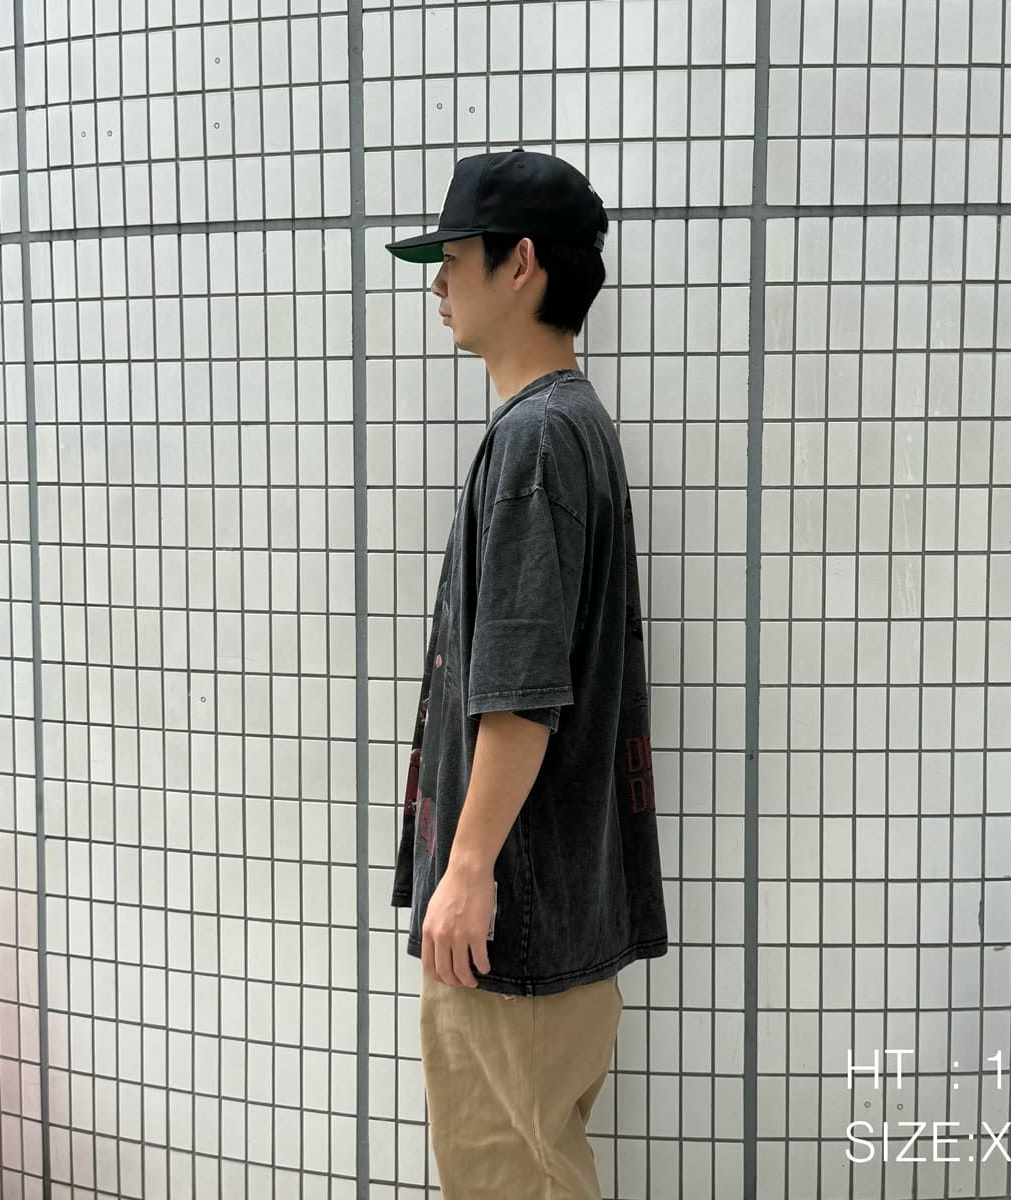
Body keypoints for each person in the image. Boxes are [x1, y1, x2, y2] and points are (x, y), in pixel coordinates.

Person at [385, 146, 669, 1199]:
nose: (438, 282)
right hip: (555, 914)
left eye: (455, 257)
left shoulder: (537, 442)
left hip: (515, 928)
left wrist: (465, 874)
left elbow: (520, 692)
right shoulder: (569, 425)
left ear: (522, 265)